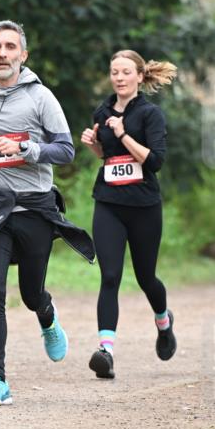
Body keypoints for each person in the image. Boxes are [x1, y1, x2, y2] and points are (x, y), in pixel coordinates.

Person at [0, 20, 94, 406]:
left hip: (33, 209)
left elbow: (65, 151)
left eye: (9, 47)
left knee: (31, 293)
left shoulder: (41, 98)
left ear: (22, 55)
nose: (0, 54)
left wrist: (26, 150)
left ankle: (46, 315)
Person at [80, 50, 178, 380]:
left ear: (139, 76)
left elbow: (154, 162)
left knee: (146, 277)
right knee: (110, 276)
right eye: (114, 72)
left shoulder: (151, 115)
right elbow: (107, 157)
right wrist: (93, 144)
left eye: (125, 72)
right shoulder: (102, 111)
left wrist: (122, 134)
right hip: (108, 202)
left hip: (144, 207)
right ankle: (105, 352)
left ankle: (164, 322)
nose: (119, 78)